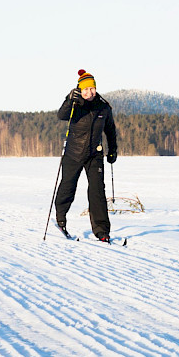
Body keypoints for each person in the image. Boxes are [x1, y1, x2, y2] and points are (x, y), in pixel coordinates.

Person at [55, 69, 118, 242]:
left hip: (94, 154)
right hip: (73, 154)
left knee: (97, 192)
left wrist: (113, 150)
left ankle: (102, 231)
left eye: (92, 88)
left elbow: (110, 130)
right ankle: (60, 219)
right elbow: (61, 115)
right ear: (79, 90)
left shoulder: (103, 107)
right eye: (85, 89)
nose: (89, 92)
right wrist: (69, 100)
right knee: (68, 187)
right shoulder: (75, 103)